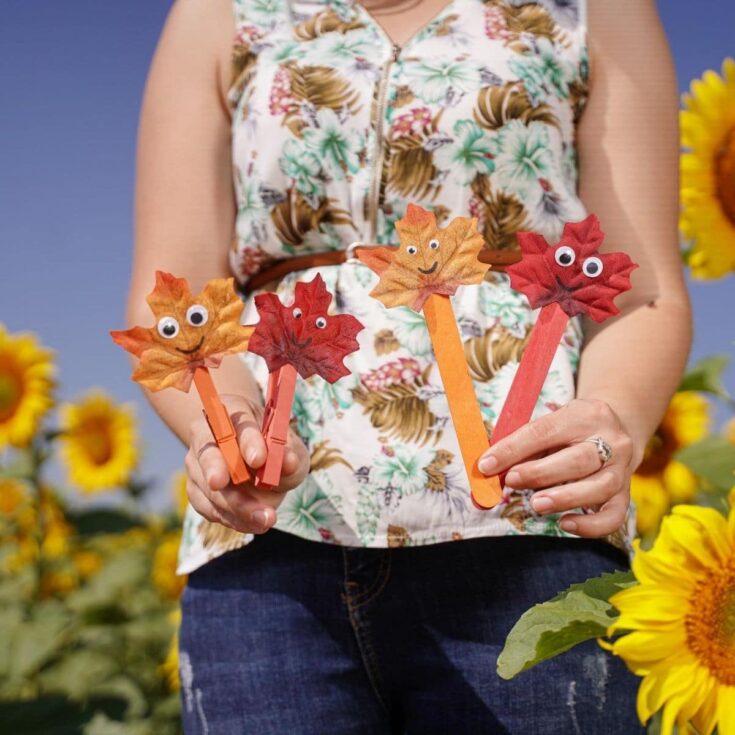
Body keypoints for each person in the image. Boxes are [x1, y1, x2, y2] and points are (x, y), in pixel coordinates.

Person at [125, 0, 691, 731]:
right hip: (270, 543)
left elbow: (641, 292)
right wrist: (226, 425)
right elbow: (173, 297)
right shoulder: (219, 11)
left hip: (528, 525)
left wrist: (612, 420)